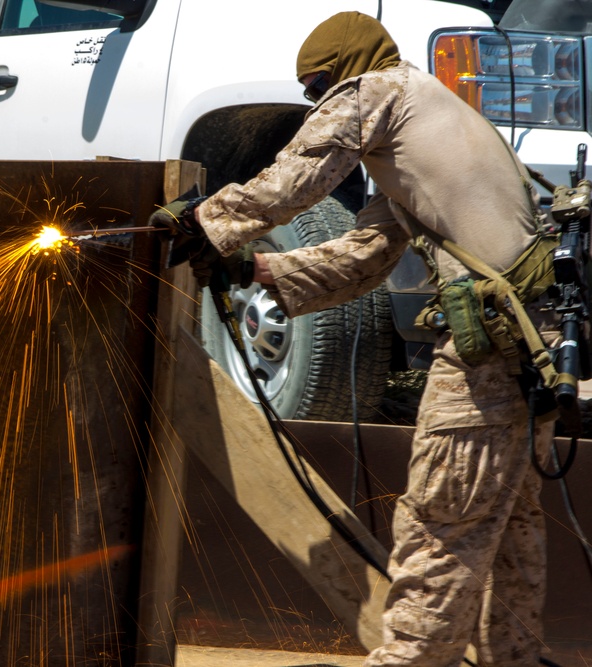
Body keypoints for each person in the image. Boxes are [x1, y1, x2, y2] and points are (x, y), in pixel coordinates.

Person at [159, 11, 559, 667]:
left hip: (489, 346)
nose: (318, 105)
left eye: (317, 89)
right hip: (527, 342)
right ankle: (515, 655)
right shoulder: (420, 124)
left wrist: (206, 222)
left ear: (342, 72)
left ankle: (410, 657)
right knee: (507, 517)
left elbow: (296, 176)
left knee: (441, 520)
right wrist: (255, 268)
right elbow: (370, 256)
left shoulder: (376, 91)